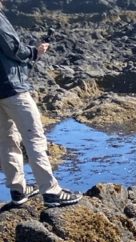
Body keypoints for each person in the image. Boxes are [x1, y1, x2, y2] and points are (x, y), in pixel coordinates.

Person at [0, 4, 80, 208]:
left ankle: (18, 191)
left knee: (6, 142)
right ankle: (51, 191)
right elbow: (13, 48)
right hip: (13, 90)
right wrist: (34, 52)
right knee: (34, 137)